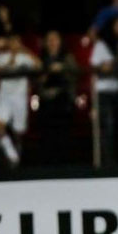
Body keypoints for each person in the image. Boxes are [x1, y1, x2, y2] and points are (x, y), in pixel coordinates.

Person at [0, 32, 41, 168]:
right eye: (12, 42)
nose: (14, 45)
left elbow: (39, 65)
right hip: (4, 97)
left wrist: (25, 50)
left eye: (17, 42)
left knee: (19, 131)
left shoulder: (24, 57)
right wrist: (4, 67)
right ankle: (11, 154)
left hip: (20, 98)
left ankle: (18, 157)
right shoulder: (1, 57)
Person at [90, 16, 118, 166]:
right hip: (103, 92)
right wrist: (112, 65)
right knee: (107, 127)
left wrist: (114, 65)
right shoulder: (101, 45)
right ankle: (107, 163)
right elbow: (97, 67)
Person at [36, 29, 78, 165]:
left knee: (63, 135)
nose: (52, 42)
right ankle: (48, 164)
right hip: (46, 101)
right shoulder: (40, 59)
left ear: (60, 42)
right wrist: (44, 75)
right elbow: (36, 80)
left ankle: (64, 164)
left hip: (63, 100)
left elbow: (75, 74)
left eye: (55, 39)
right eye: (49, 39)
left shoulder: (67, 57)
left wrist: (62, 68)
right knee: (47, 135)